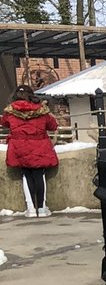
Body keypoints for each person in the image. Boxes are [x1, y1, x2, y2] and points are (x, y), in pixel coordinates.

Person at [2, 85, 60, 217]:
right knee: (40, 176)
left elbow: (4, 123)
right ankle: (42, 208)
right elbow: (52, 126)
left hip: (19, 147)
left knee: (26, 175)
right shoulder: (42, 110)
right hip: (40, 147)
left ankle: (31, 209)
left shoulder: (10, 111)